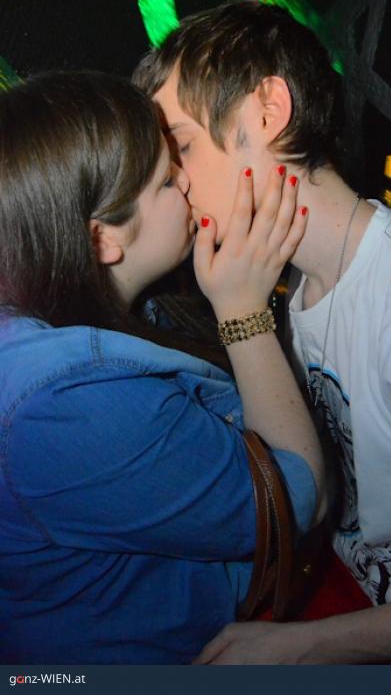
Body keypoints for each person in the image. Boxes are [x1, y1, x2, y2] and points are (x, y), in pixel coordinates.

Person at [133, 0, 391, 663]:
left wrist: (304, 648)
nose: (172, 181)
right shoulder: (302, 287)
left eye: (182, 146)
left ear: (267, 111)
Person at [0, 70, 325, 664]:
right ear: (102, 239)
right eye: (165, 180)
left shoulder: (69, 309)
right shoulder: (65, 406)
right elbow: (297, 499)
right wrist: (242, 310)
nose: (188, 180)